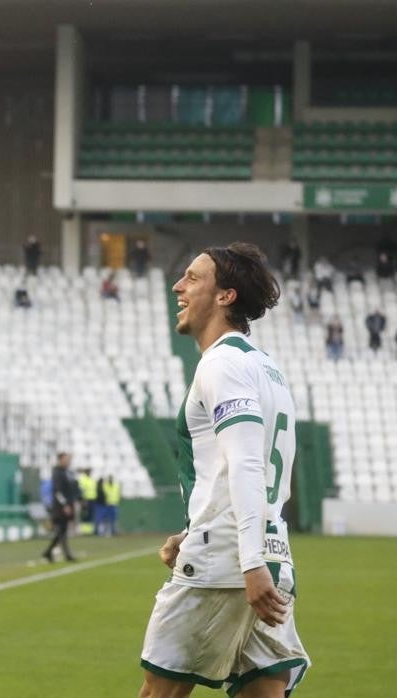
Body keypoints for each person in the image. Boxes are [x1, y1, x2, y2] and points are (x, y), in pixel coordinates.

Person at [140, 242, 309, 697]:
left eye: (192, 277)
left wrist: (245, 561)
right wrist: (193, 531)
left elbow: (247, 463)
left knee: (161, 691)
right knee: (264, 688)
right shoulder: (265, 367)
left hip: (230, 562)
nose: (178, 286)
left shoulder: (222, 364)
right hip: (270, 552)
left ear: (225, 296)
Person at [41, 452, 77, 563]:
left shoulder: (67, 472)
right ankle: (66, 554)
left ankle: (48, 553)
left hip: (66, 505)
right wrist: (65, 504)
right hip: (59, 508)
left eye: (68, 459)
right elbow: (57, 491)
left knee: (61, 532)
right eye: (65, 459)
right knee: (61, 531)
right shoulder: (57, 473)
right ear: (60, 460)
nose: (68, 461)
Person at [76, 466, 96, 536]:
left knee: (90, 515)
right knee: (85, 516)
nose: (90, 472)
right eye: (88, 471)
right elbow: (81, 490)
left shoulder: (91, 479)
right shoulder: (83, 479)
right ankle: (84, 531)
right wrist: (83, 500)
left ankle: (89, 531)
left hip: (92, 499)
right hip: (85, 500)